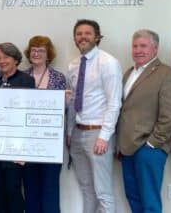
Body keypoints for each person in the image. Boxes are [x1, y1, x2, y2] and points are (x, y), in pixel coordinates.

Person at [117, 29, 171, 213]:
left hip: (148, 149)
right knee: (133, 197)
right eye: (135, 46)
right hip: (127, 148)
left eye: (143, 46)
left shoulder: (166, 74)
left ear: (155, 48)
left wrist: (152, 144)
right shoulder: (129, 73)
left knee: (149, 202)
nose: (138, 50)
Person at [67, 19, 122, 213]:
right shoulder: (73, 65)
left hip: (97, 133)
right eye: (79, 33)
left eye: (87, 33)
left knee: (103, 192)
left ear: (97, 36)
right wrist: (69, 131)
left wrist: (104, 136)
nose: (83, 37)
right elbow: (74, 101)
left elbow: (114, 102)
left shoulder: (108, 62)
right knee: (87, 189)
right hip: (78, 134)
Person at [0, 42, 35, 213]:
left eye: (6, 57)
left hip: (16, 148)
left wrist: (23, 149)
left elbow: (29, 116)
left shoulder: (27, 81)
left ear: (15, 59)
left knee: (13, 190)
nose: (1, 61)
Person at [23, 35, 67, 213]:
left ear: (48, 54)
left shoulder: (59, 78)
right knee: (30, 190)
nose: (36, 53)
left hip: (51, 144)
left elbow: (63, 110)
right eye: (33, 50)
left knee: (50, 190)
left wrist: (66, 102)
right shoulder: (22, 77)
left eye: (41, 50)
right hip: (27, 144)